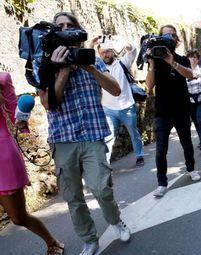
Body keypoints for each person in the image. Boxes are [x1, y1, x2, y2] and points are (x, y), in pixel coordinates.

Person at [38, 12, 130, 255]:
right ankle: (89, 239)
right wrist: (63, 71)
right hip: (63, 138)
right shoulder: (44, 63)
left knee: (101, 188)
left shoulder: (92, 59)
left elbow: (116, 88)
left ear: (78, 31)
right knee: (73, 197)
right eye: (61, 27)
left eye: (71, 26)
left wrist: (89, 67)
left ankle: (115, 220)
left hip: (92, 134)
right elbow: (47, 103)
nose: (66, 30)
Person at [0, 72, 64, 255]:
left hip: (2, 160)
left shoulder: (2, 80)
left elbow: (15, 114)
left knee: (18, 218)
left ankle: (52, 242)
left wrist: (21, 120)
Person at [145, 24, 201, 198]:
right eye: (166, 35)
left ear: (177, 40)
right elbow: (149, 86)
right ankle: (162, 182)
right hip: (162, 112)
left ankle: (191, 169)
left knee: (187, 143)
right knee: (161, 149)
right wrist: (153, 64)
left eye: (173, 35)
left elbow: (190, 75)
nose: (170, 38)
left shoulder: (182, 59)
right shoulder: (155, 60)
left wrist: (172, 62)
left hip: (182, 109)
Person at [90, 38, 145, 167]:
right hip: (108, 109)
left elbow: (133, 51)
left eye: (108, 51)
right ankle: (106, 163)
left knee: (133, 133)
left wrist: (123, 42)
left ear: (113, 51)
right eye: (102, 52)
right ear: (99, 54)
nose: (105, 54)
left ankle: (139, 155)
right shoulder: (98, 67)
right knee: (108, 137)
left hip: (127, 107)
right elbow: (86, 59)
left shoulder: (122, 63)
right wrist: (91, 45)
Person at [186, 49, 201, 154]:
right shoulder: (184, 70)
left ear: (198, 59)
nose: (192, 59)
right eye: (190, 57)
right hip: (191, 101)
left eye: (194, 57)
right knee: (196, 122)